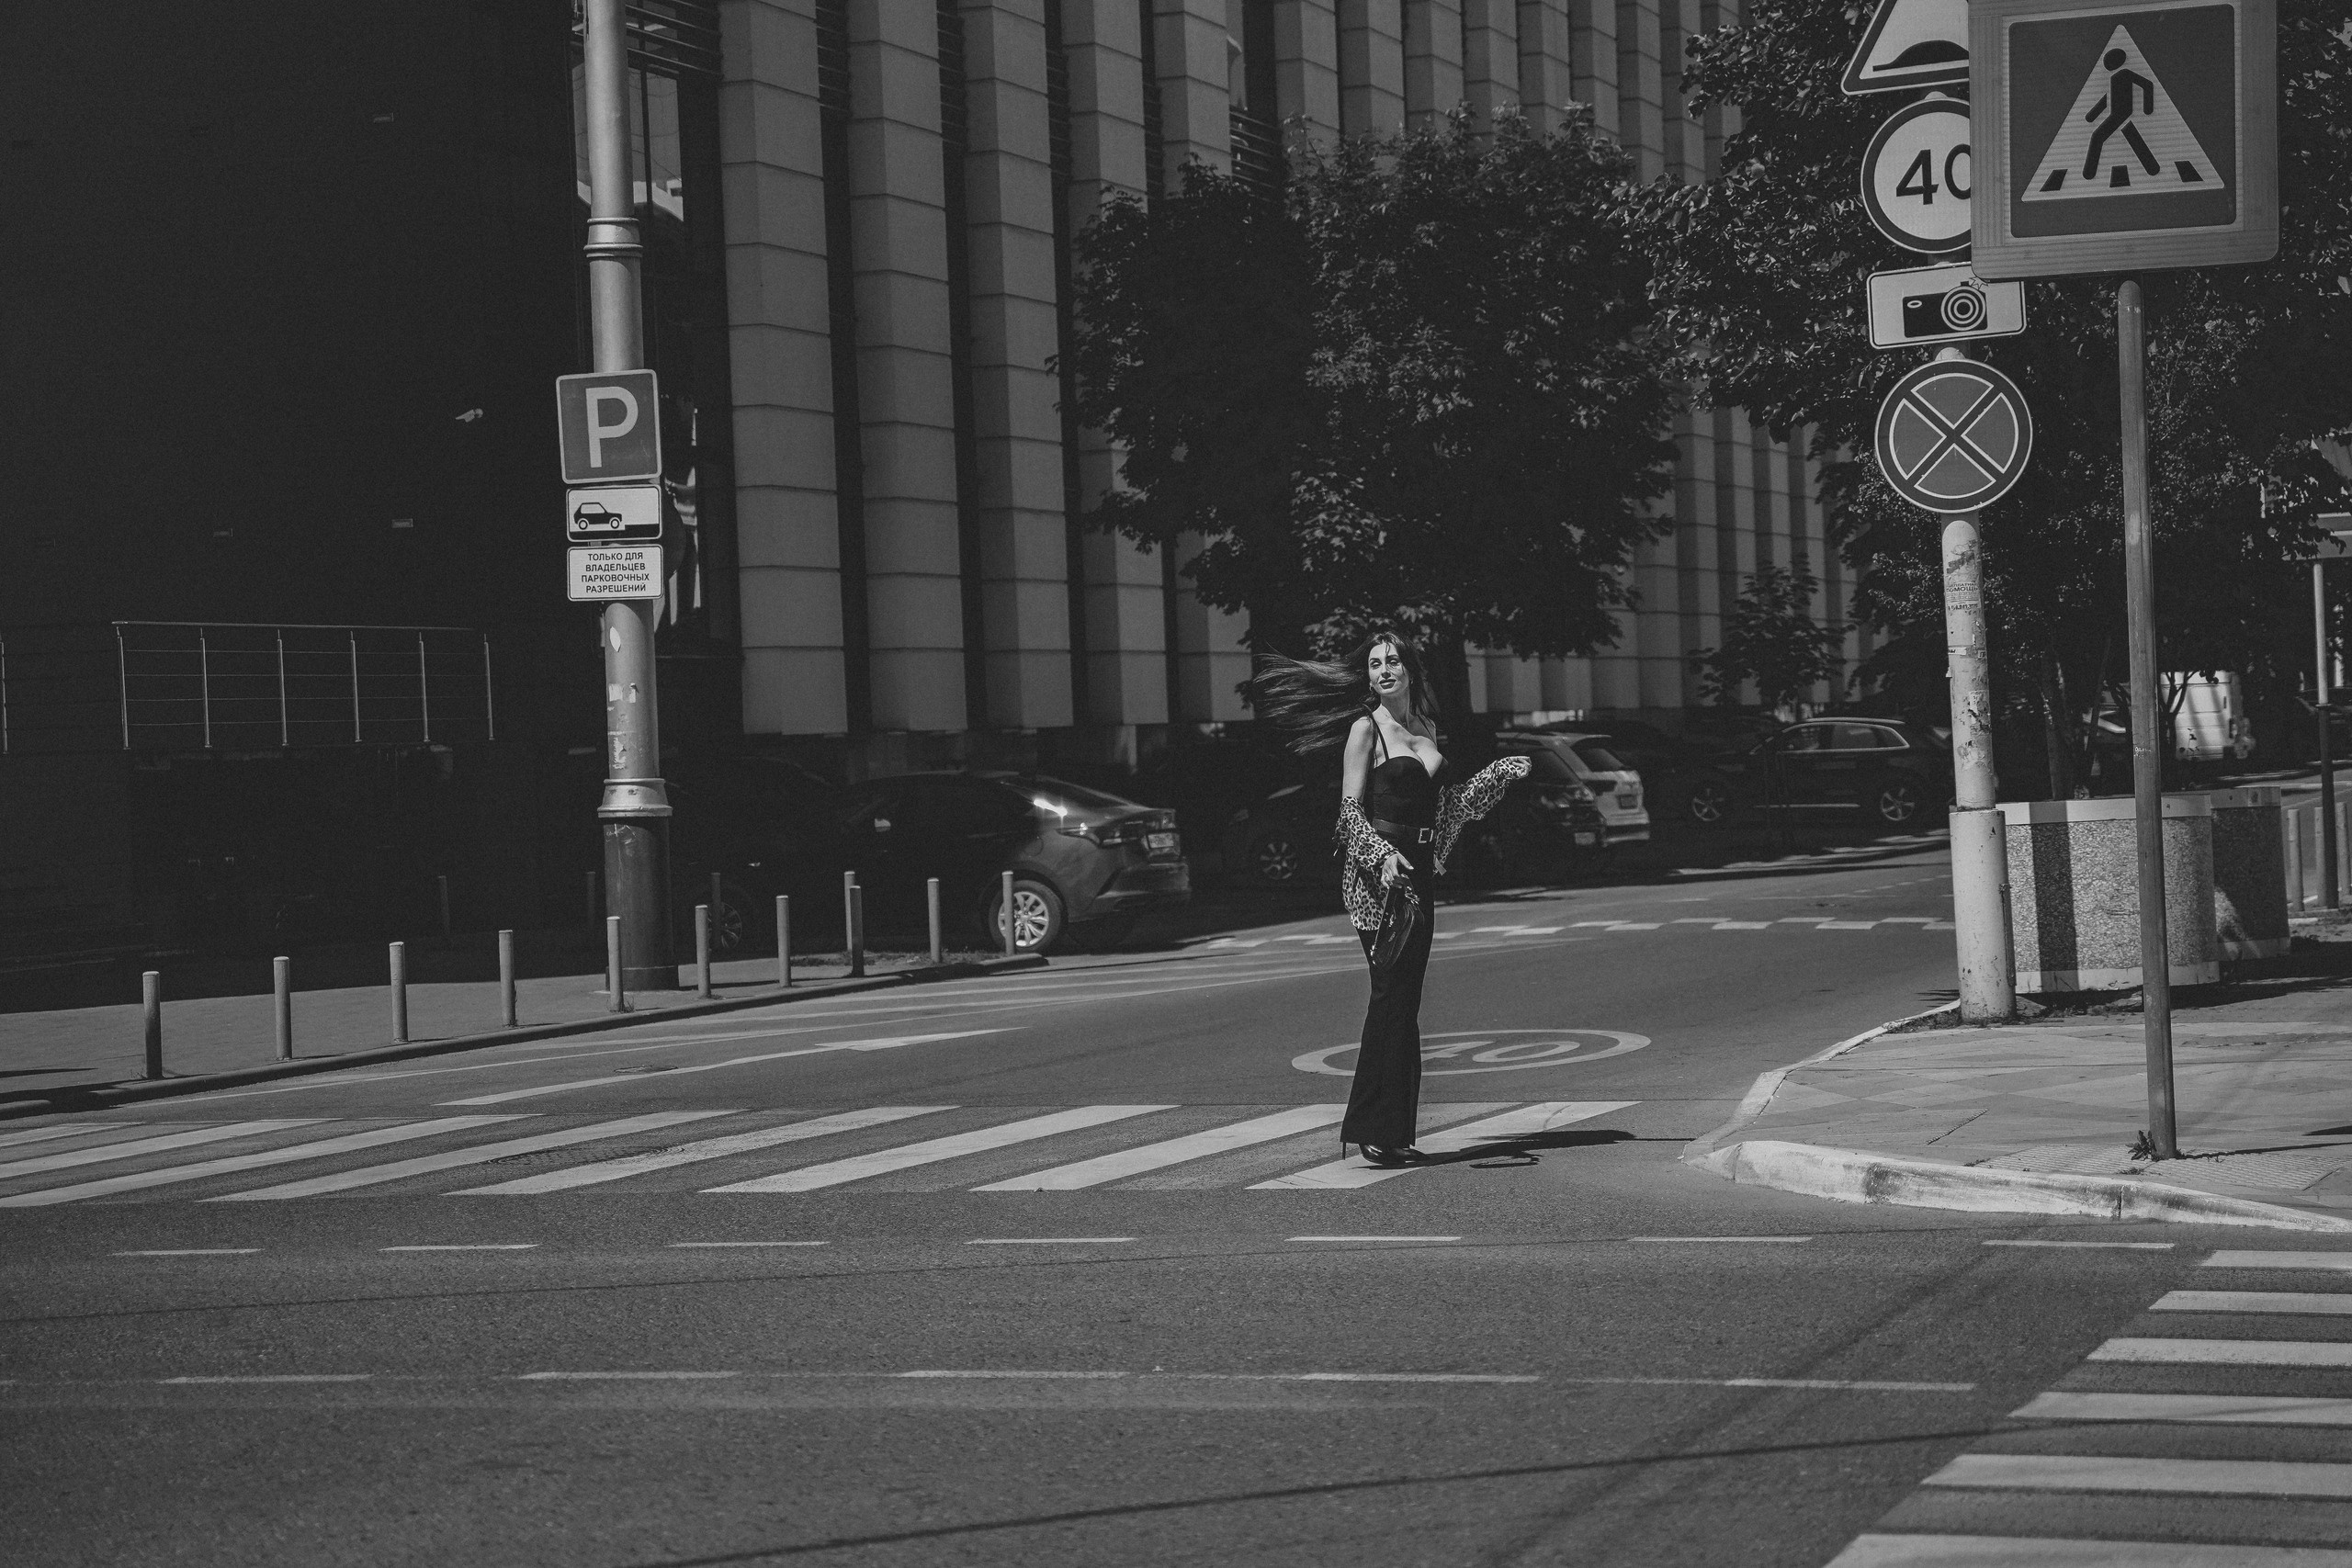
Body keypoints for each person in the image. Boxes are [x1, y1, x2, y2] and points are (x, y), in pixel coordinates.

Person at [1249, 630, 1530, 1166]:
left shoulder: (1427, 731)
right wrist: (1379, 856)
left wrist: (1497, 776)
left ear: (1410, 670)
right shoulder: (1365, 730)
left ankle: (1393, 1129)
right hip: (1377, 877)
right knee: (1389, 995)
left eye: (1392, 661)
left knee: (1406, 1001)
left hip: (1419, 875)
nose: (1383, 670)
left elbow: (1448, 814)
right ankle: (1372, 1128)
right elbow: (1348, 813)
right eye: (1375, 664)